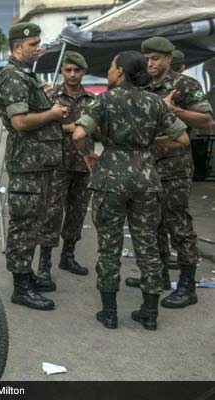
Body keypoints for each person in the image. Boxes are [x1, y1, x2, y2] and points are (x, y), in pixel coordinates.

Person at [73, 50, 189, 330]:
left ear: (121, 71)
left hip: (110, 179)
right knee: (147, 243)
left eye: (112, 66)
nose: (109, 71)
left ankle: (110, 313)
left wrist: (89, 155)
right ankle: (150, 313)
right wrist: (150, 144)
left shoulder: (104, 100)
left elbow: (79, 134)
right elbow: (183, 138)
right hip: (146, 179)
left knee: (109, 245)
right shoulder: (155, 103)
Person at [123, 37, 212, 309]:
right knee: (152, 223)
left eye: (156, 58)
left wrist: (175, 110)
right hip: (147, 167)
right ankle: (158, 275)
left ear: (169, 59)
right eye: (147, 58)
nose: (150, 63)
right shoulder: (142, 84)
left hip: (174, 167)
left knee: (178, 225)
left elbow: (206, 120)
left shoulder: (185, 85)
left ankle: (187, 285)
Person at [0, 22, 67, 311]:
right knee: (24, 223)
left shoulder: (26, 76)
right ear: (17, 47)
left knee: (35, 220)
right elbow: (20, 122)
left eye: (39, 42)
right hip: (27, 163)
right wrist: (51, 113)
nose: (39, 47)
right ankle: (21, 286)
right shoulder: (12, 77)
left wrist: (45, 103)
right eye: (33, 44)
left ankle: (27, 275)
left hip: (37, 162)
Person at [37, 51, 95, 288]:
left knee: (77, 212)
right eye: (68, 70)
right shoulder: (49, 97)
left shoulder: (91, 100)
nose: (72, 75)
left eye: (77, 70)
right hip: (56, 164)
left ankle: (68, 256)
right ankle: (44, 263)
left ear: (84, 73)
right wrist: (71, 128)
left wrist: (76, 127)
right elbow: (41, 125)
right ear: (62, 71)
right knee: (52, 213)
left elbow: (98, 128)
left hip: (82, 163)